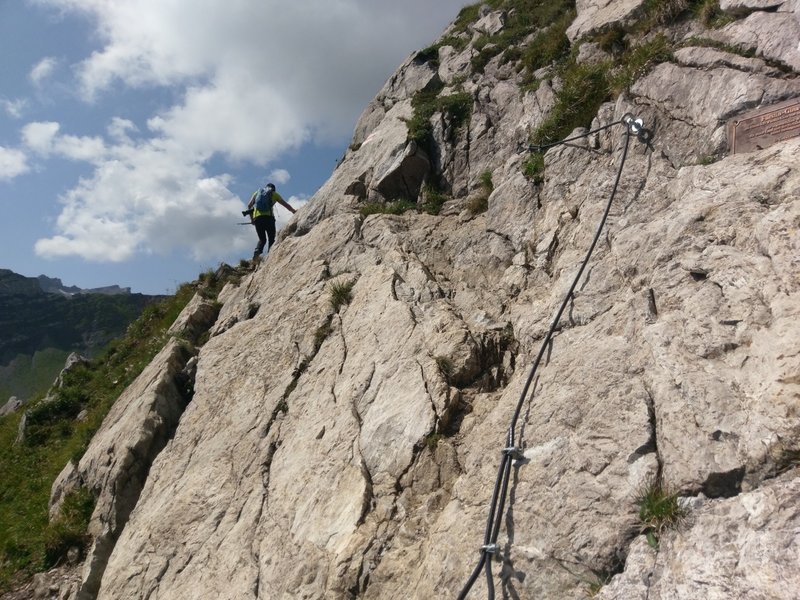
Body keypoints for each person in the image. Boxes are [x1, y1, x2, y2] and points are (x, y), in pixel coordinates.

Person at [245, 183, 296, 258]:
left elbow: (249, 206)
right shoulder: (274, 194)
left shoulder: (257, 192)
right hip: (269, 218)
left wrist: (252, 219)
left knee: (262, 239)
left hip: (257, 219)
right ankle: (270, 256)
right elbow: (285, 205)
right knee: (271, 238)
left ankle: (257, 250)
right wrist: (293, 211)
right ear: (273, 189)